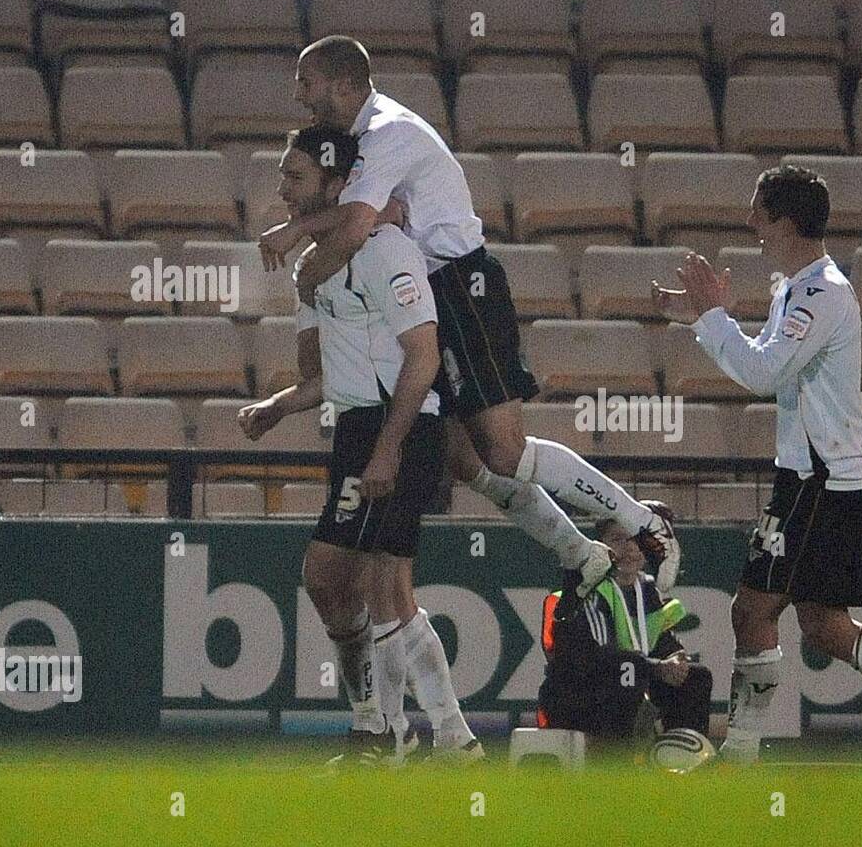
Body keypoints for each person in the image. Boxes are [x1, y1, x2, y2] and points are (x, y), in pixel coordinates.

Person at [257, 35, 680, 595]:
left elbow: (357, 225)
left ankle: (643, 523)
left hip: (462, 285)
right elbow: (385, 211)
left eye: (306, 84)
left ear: (343, 83)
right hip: (430, 288)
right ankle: (583, 555)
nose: (300, 97)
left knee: (505, 450)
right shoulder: (359, 140)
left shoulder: (387, 132)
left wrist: (303, 248)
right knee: (463, 456)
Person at [653, 164, 862, 765]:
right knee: (826, 628)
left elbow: (761, 373)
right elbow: (764, 360)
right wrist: (702, 323)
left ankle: (743, 759)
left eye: (758, 210)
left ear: (784, 219)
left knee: (752, 610)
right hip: (824, 476)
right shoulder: (802, 287)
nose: (750, 223)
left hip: (819, 480)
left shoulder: (819, 292)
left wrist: (710, 318)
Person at [238, 123, 481, 765]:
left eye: (295, 177)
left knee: (383, 585)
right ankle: (408, 729)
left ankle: (403, 735)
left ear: (337, 183)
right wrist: (278, 406)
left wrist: (389, 448)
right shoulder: (309, 271)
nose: (283, 190)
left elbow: (422, 358)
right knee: (327, 578)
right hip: (353, 430)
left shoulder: (388, 251)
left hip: (403, 426)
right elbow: (318, 379)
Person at [538, 520, 713, 744]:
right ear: (599, 546)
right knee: (626, 675)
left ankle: (680, 757)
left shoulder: (647, 589)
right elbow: (602, 659)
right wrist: (656, 668)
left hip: (632, 677)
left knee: (695, 677)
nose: (629, 548)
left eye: (636, 539)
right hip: (576, 693)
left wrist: (675, 659)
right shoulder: (588, 589)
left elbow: (661, 640)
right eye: (618, 540)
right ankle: (618, 763)